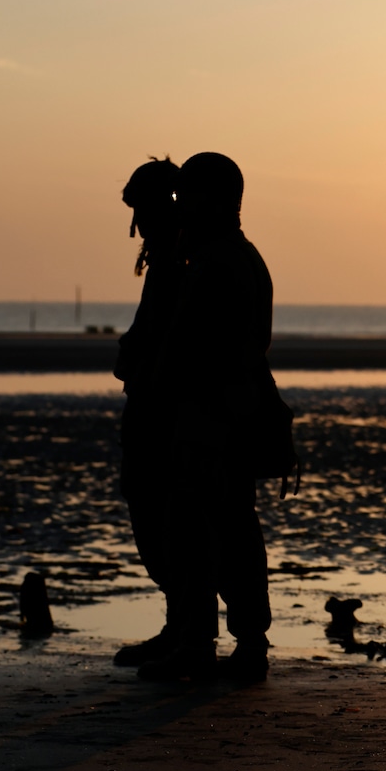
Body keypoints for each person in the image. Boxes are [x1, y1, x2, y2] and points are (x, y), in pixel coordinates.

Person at [138, 152, 276, 683]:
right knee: (222, 531)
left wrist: (166, 387)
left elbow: (203, 348)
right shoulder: (229, 256)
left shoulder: (220, 261)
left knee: (205, 533)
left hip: (212, 420)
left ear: (216, 200)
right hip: (218, 415)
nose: (181, 207)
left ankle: (209, 647)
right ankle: (234, 646)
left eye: (188, 196)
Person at [112, 157, 184, 667]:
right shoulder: (170, 256)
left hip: (166, 411)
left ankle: (184, 632)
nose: (141, 217)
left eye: (145, 206)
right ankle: (180, 627)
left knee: (165, 518)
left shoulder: (182, 259)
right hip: (154, 403)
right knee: (156, 514)